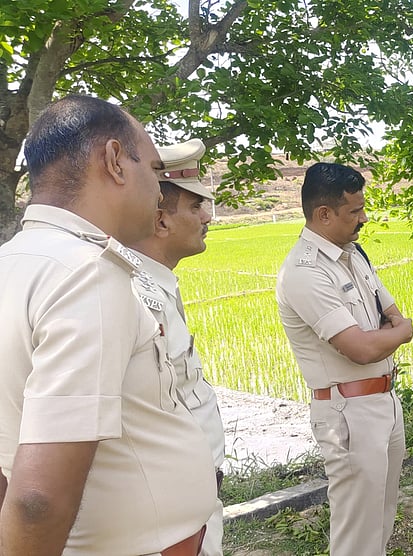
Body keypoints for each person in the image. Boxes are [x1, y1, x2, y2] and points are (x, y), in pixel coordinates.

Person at [0, 95, 216, 554]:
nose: (160, 193)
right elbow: (38, 497)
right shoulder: (86, 272)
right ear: (116, 161)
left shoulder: (14, 263)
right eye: (153, 170)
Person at [276, 162, 413, 556]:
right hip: (348, 412)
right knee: (357, 533)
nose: (363, 219)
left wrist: (391, 332)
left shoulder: (353, 255)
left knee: (381, 521)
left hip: (383, 402)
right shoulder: (305, 273)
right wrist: (399, 334)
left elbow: (392, 312)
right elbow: (363, 348)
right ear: (324, 214)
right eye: (354, 211)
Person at [128, 138, 226, 556]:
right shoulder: (135, 294)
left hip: (194, 501)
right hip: (164, 517)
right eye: (194, 206)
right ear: (160, 221)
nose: (207, 217)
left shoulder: (160, 284)